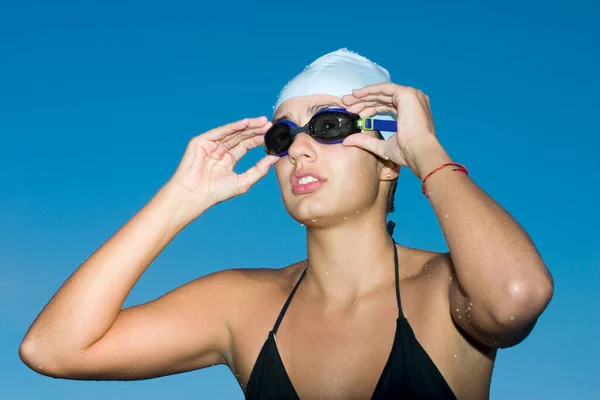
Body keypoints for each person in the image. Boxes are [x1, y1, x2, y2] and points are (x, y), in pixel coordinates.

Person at [19, 49, 554, 400]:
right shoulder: (242, 304)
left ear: (388, 156)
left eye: (327, 126)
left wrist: (425, 150)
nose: (298, 149)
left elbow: (515, 297)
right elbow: (55, 349)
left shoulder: (445, 288)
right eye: (283, 135)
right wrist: (178, 199)